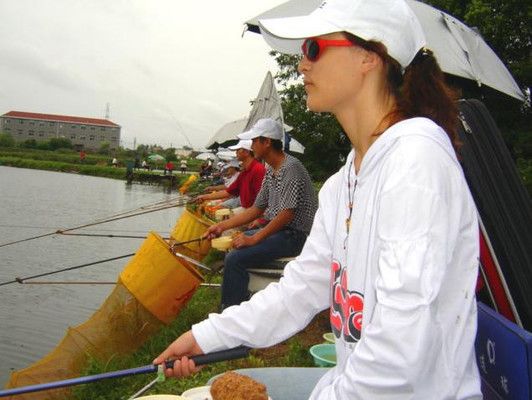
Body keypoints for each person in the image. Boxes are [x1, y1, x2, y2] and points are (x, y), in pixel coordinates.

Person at [154, 1, 481, 399]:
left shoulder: (417, 161)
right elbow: (301, 289)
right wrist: (207, 335)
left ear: (368, 56)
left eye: (313, 48)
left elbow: (401, 349)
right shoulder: (344, 180)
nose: (302, 65)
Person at [204, 118, 317, 308]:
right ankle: (238, 304)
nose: (252, 146)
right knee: (234, 242)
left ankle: (231, 315)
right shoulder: (271, 169)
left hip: (295, 235)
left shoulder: (290, 168)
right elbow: (257, 208)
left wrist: (254, 239)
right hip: (279, 231)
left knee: (235, 258)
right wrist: (220, 226)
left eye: (255, 141)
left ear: (267, 142)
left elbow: (286, 214)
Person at [195, 139, 265, 209]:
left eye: (238, 150)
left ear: (246, 152)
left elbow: (262, 202)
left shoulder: (258, 169)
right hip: (247, 208)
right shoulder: (244, 171)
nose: (236, 153)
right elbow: (229, 192)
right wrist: (205, 197)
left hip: (253, 210)